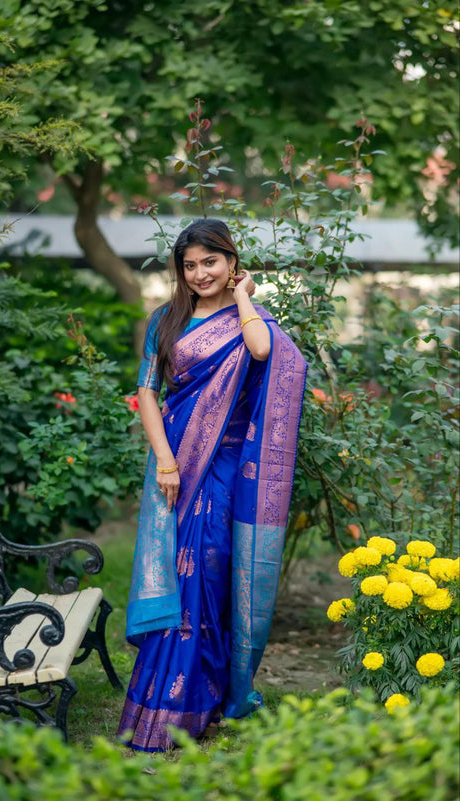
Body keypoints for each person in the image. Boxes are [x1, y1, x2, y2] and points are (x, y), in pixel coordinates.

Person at [117, 218, 307, 751]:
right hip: (175, 466)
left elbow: (265, 352)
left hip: (224, 472)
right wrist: (165, 461)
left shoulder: (250, 318)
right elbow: (148, 393)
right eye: (190, 265)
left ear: (230, 261)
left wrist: (244, 296)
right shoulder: (166, 320)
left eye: (211, 262)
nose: (200, 273)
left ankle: (203, 701)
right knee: (175, 575)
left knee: (208, 577)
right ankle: (162, 703)